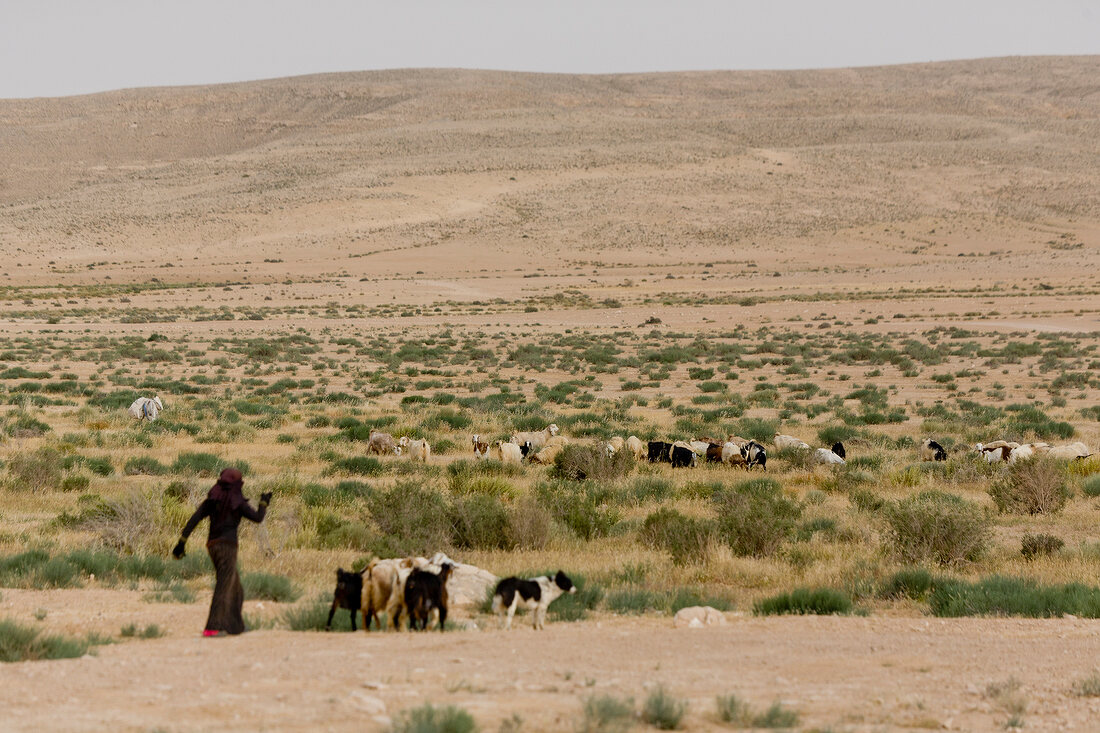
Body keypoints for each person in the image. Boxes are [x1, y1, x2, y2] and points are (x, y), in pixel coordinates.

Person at [172, 468, 272, 636]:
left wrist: (182, 542)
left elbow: (195, 518)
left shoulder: (213, 500)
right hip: (228, 547)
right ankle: (212, 628)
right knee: (224, 586)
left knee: (236, 587)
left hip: (212, 546)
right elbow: (258, 518)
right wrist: (263, 503)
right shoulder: (237, 502)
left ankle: (235, 627)